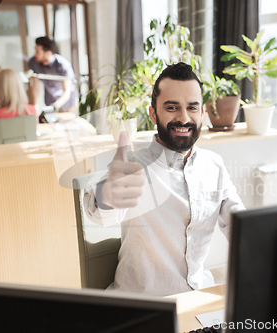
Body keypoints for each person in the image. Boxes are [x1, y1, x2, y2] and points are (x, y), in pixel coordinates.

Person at [83, 63, 245, 296]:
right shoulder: (132, 165)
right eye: (172, 107)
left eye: (192, 108)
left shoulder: (214, 165)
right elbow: (100, 213)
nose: (183, 118)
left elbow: (240, 224)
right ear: (153, 114)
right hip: (145, 307)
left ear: (202, 113)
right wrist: (107, 196)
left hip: (197, 299)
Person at [28, 36, 77, 112]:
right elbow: (35, 87)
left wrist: (54, 107)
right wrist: (35, 107)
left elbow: (67, 91)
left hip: (68, 102)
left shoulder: (63, 65)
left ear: (48, 53)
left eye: (38, 52)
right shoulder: (34, 63)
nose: (35, 54)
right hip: (50, 100)